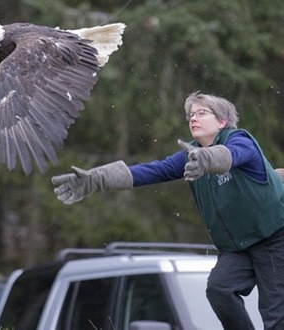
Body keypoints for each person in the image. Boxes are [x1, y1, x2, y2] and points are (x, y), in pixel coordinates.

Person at [51, 91, 284, 329]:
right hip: (237, 247)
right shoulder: (190, 155)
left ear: (222, 121)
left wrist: (206, 159)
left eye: (201, 113)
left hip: (273, 237)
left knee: (275, 315)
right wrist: (96, 179)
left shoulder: (240, 140)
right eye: (190, 115)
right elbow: (152, 171)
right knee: (219, 290)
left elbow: (230, 155)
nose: (193, 118)